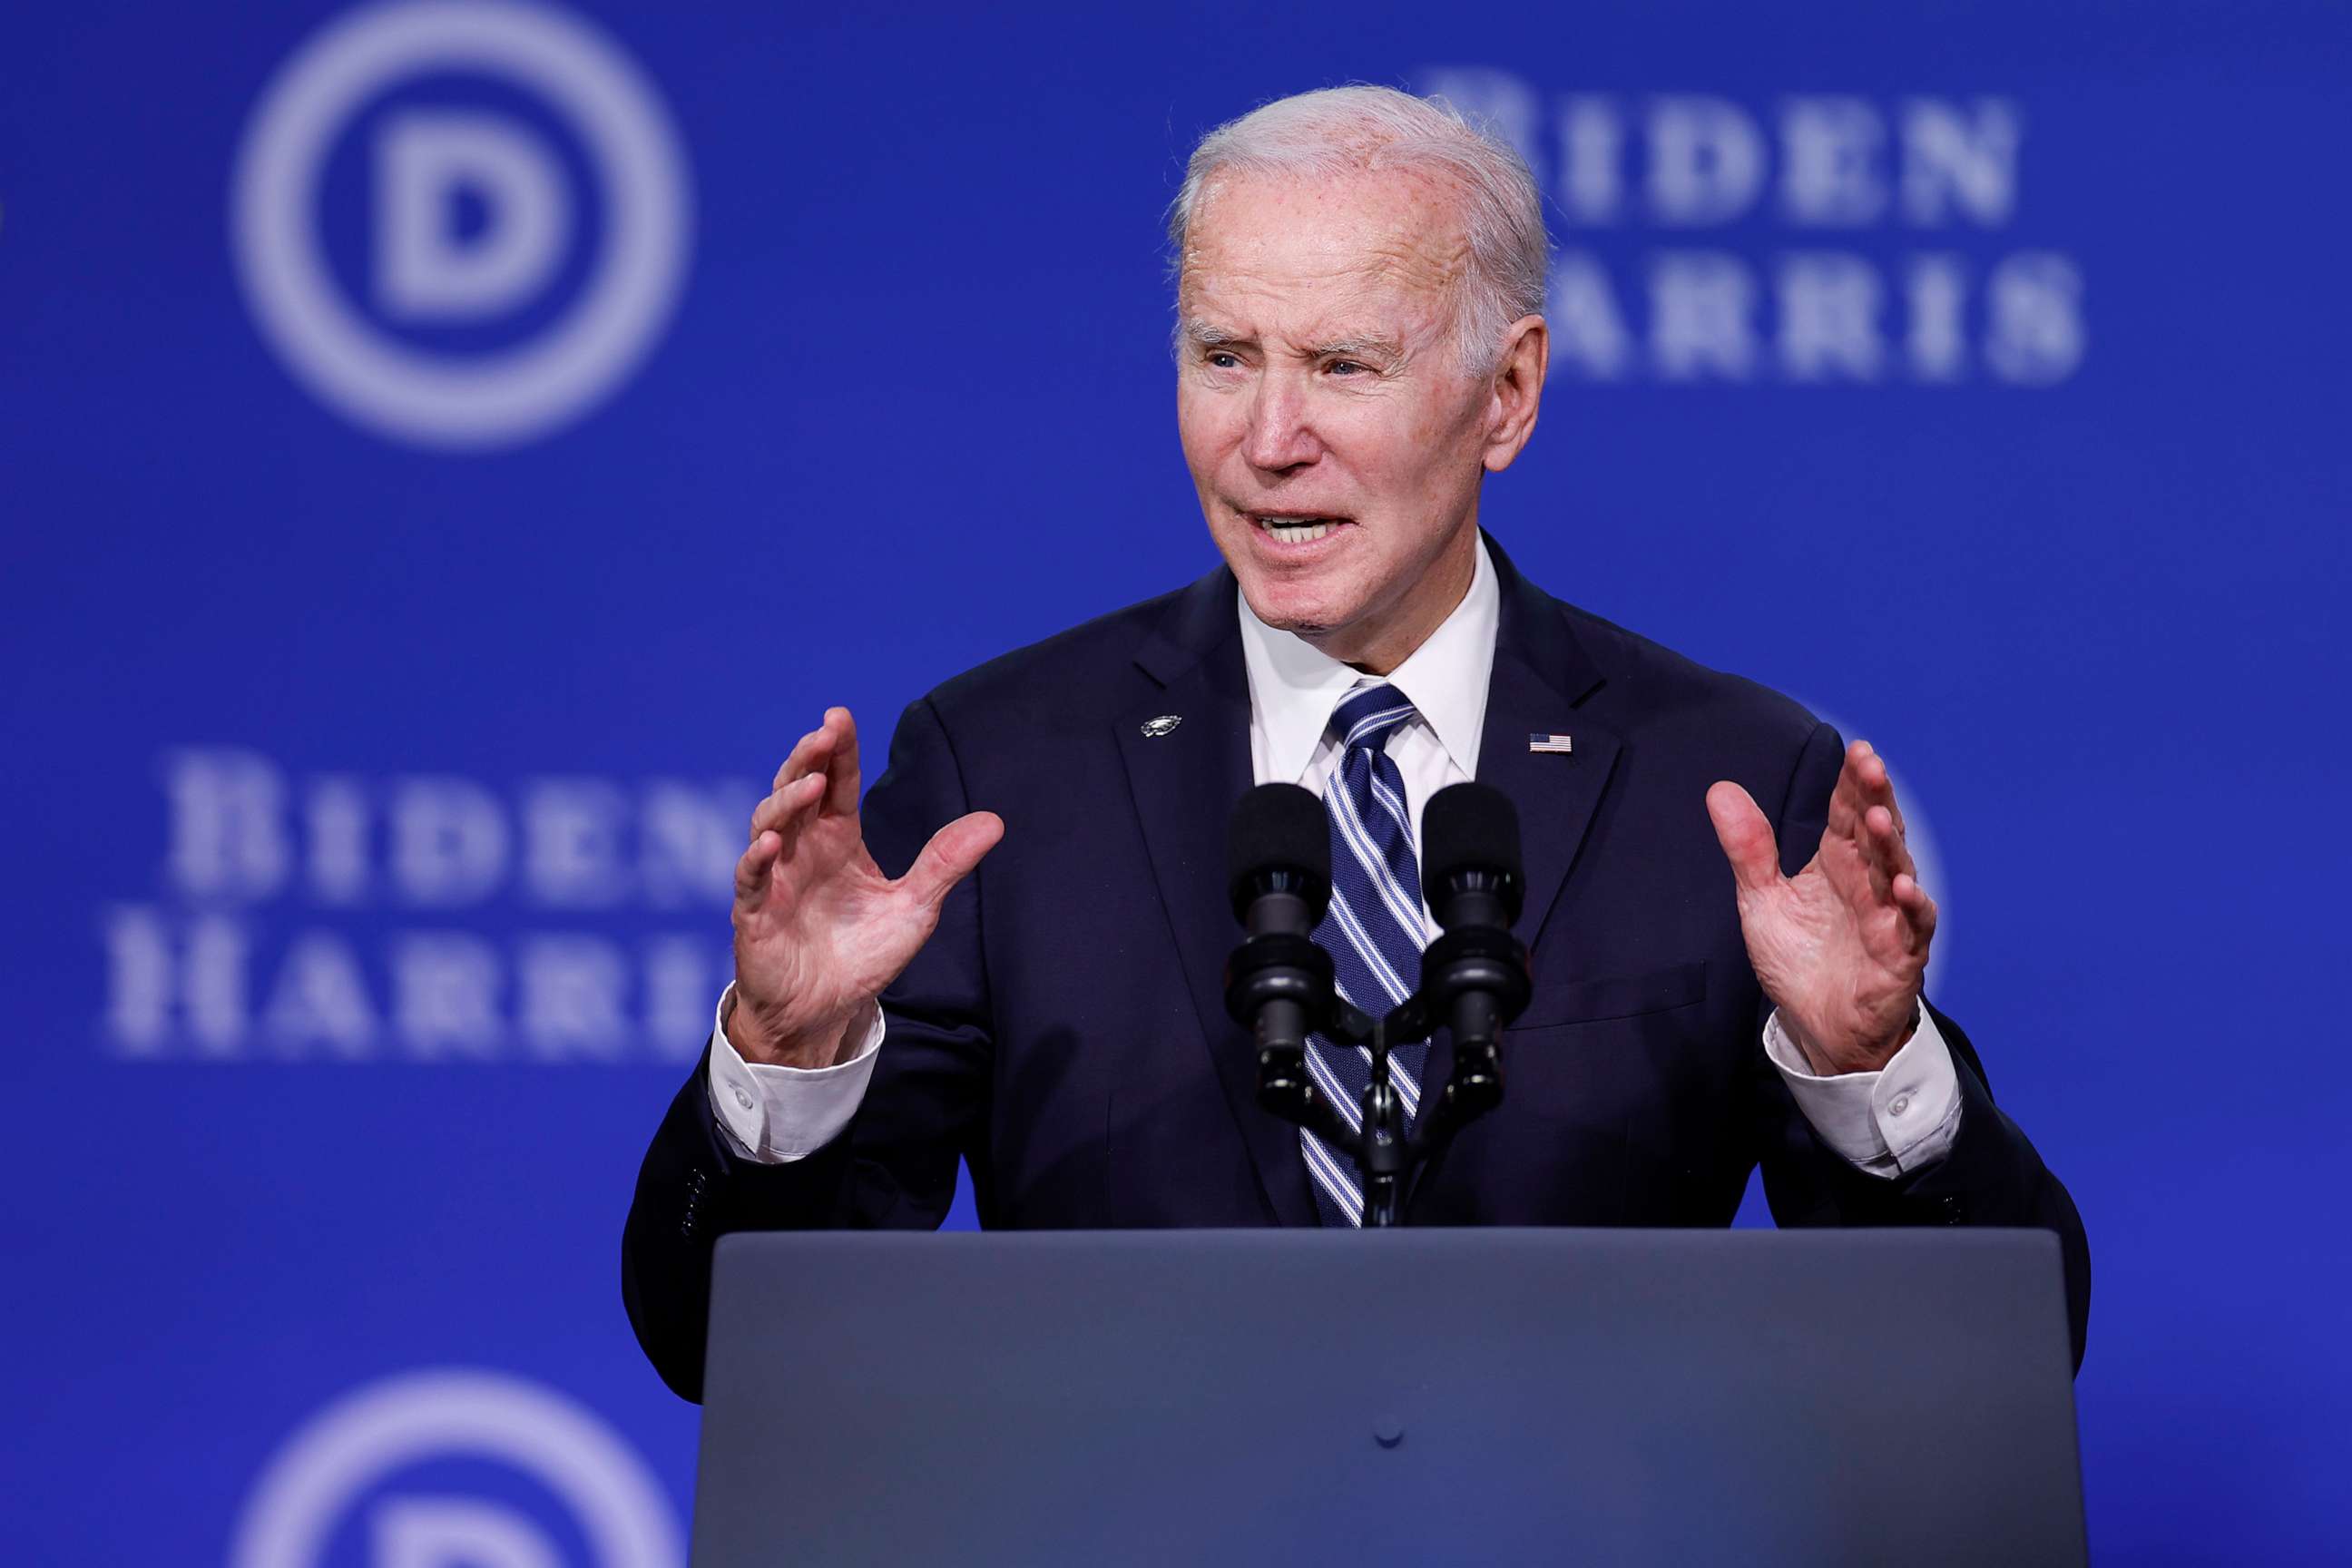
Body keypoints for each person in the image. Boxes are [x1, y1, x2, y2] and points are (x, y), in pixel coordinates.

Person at [622, 85, 2089, 1401]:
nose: (1267, 438)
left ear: (1506, 394)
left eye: (1342, 365)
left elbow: (2002, 1348)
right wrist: (787, 1058)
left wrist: (1869, 1067)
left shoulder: (1723, 783)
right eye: (1221, 355)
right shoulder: (1001, 774)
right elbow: (724, 1345)